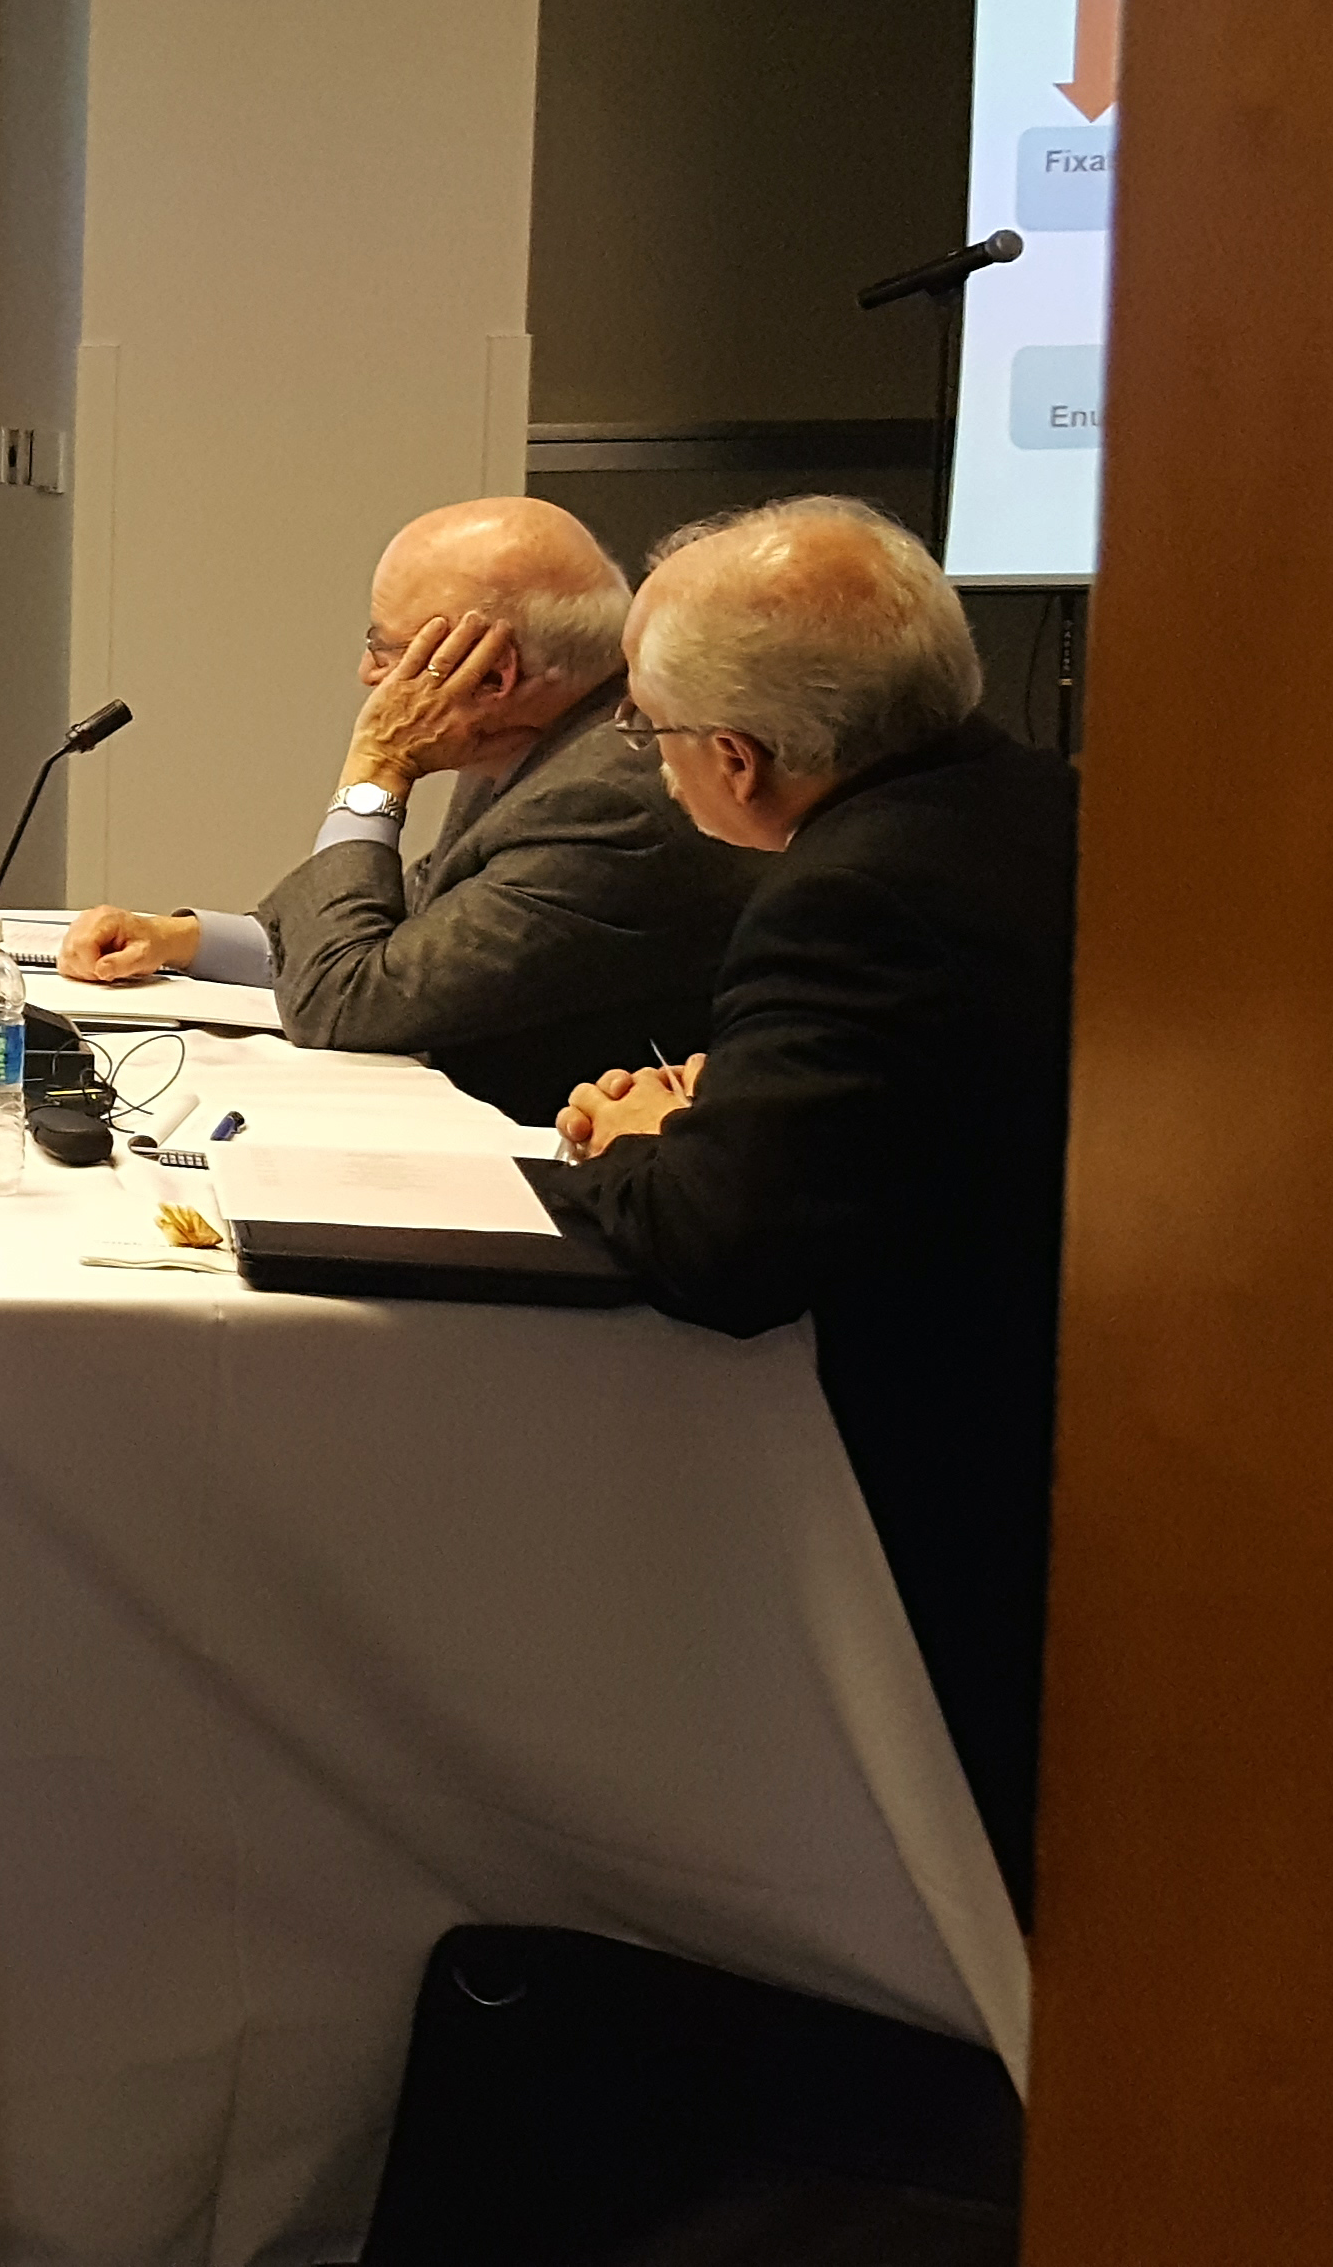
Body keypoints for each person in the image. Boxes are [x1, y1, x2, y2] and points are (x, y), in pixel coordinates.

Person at [533, 497, 1078, 1909]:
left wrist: (640, 1136)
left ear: (739, 759)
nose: (650, 765)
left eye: (648, 733)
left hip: (948, 1496)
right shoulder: (1050, 804)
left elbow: (720, 1248)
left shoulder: (854, 893)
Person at [61, 498, 756, 1120]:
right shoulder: (547, 743)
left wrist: (377, 769)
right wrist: (184, 940)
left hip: (548, 1185)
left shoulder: (607, 797)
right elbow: (406, 930)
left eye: (383, 649)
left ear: (488, 675)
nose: (368, 678)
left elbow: (347, 1000)